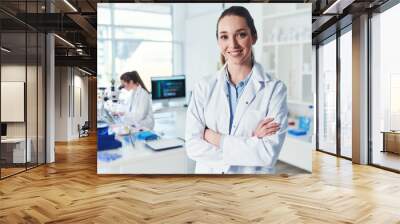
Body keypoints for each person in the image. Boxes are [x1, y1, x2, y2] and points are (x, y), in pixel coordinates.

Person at [185, 6, 288, 174]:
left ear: (254, 37)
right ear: (218, 42)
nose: (232, 44)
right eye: (224, 36)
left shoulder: (274, 89)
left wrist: (215, 138)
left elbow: (267, 154)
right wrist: (251, 141)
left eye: (241, 34)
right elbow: (192, 146)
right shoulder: (204, 87)